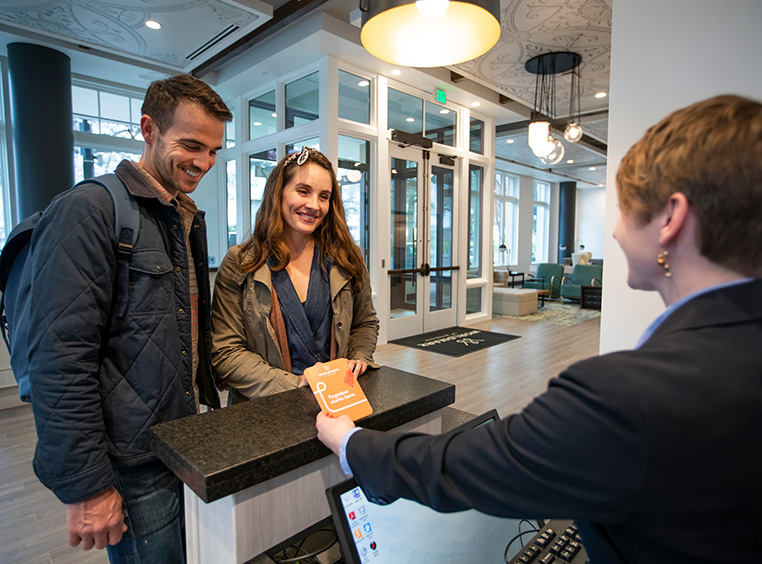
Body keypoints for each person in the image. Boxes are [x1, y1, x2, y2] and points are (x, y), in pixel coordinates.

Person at [316, 95, 762, 564]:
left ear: (671, 219)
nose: (614, 232)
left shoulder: (630, 397)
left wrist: (352, 443)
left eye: (625, 209)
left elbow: (466, 469)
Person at [28, 74, 232, 563]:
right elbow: (60, 360)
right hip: (133, 461)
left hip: (183, 441)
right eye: (191, 146)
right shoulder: (88, 210)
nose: (203, 163)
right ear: (148, 129)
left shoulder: (180, 214)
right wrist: (90, 487)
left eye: (213, 151)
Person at [211, 146, 379, 404]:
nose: (314, 205)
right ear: (278, 193)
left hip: (337, 400)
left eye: (324, 196)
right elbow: (226, 351)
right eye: (303, 191)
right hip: (265, 408)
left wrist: (359, 356)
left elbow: (365, 322)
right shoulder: (241, 262)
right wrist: (295, 384)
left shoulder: (347, 258)